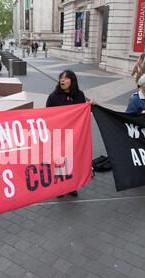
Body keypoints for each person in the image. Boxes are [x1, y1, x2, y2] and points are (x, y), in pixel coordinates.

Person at [46, 70, 93, 198]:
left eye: (66, 78)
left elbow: (83, 113)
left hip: (74, 134)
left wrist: (90, 106)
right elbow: (47, 116)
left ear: (72, 81)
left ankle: (71, 186)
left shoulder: (79, 95)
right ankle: (59, 187)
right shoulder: (53, 97)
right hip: (58, 134)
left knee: (72, 160)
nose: (63, 80)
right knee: (60, 161)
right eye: (61, 78)